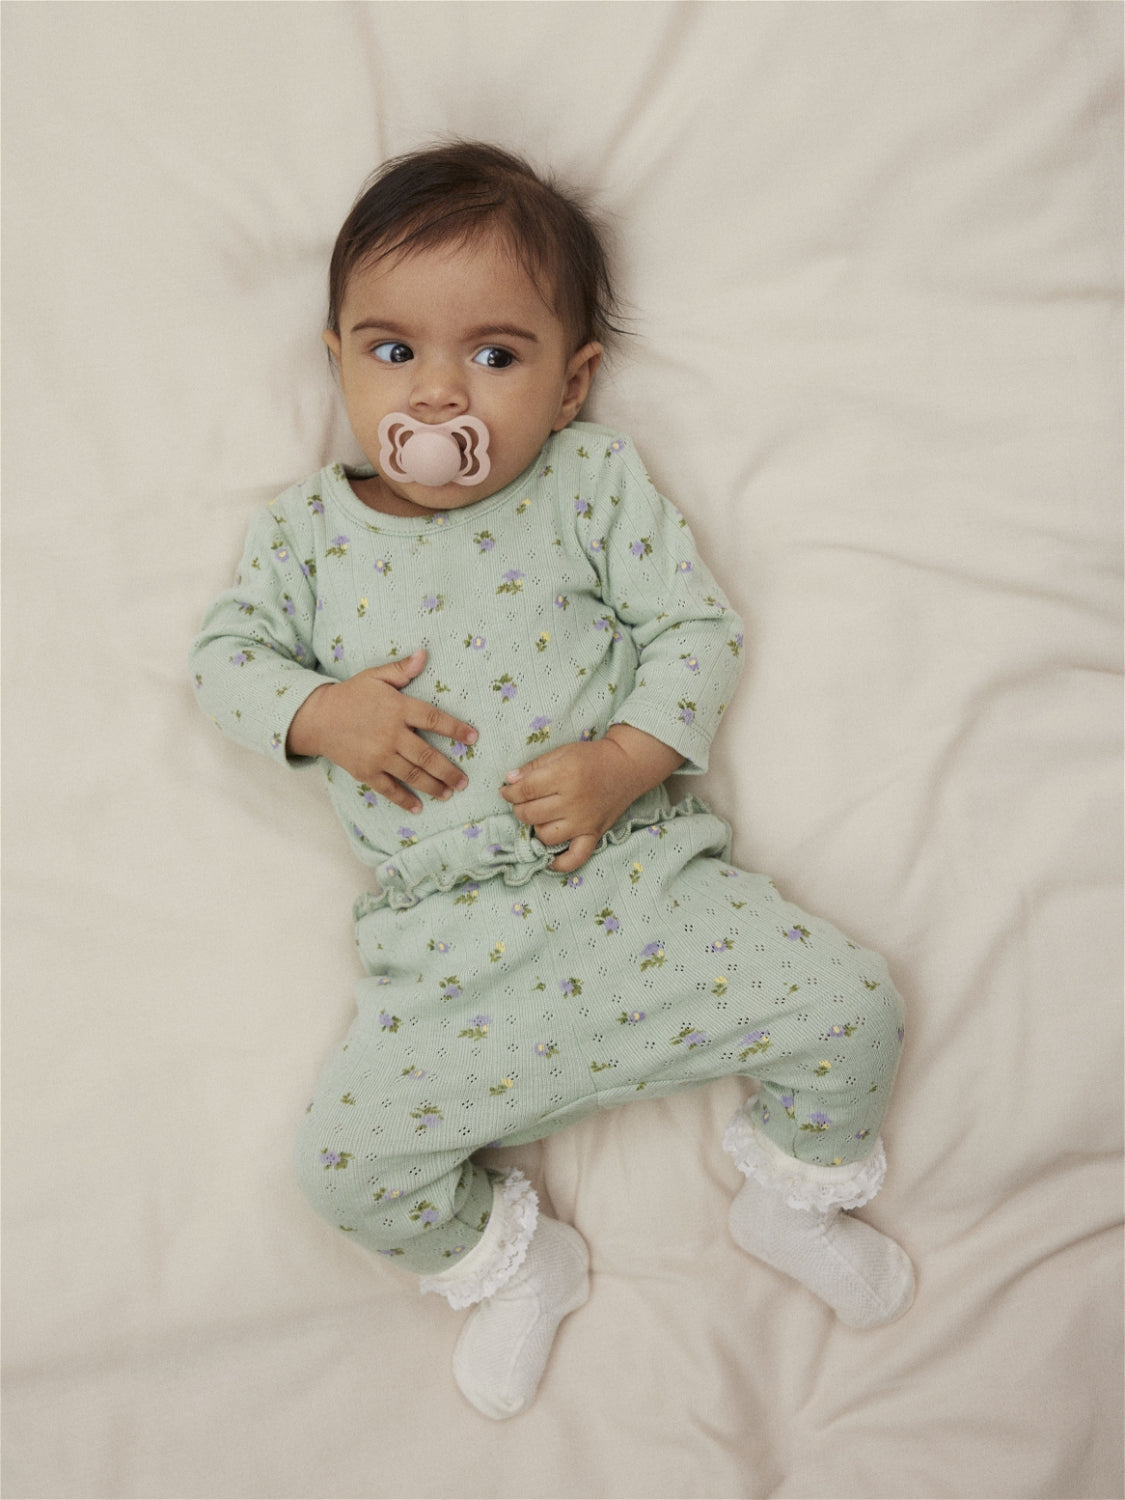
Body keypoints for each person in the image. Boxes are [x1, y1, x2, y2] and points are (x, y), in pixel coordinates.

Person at [190, 141, 914, 1421]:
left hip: (640, 883)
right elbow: (221, 663)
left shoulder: (590, 484)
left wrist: (624, 761)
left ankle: (791, 1199)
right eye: (394, 351)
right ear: (337, 360)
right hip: (448, 947)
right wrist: (322, 713)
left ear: (572, 382)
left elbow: (696, 632)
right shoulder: (305, 536)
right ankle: (520, 1267)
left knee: (858, 1005)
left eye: (496, 355)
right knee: (343, 1169)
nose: (438, 394)